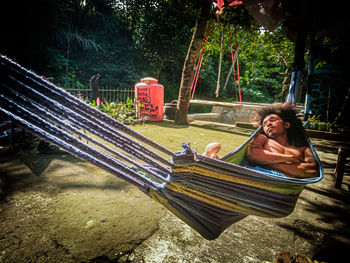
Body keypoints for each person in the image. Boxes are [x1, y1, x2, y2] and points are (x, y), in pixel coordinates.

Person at [203, 103, 318, 178]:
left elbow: (312, 172)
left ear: (286, 124)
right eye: (264, 124)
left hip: (283, 185)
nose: (268, 124)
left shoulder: (303, 148)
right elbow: (253, 155)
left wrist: (270, 162)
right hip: (257, 177)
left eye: (272, 120)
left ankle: (209, 159)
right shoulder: (263, 138)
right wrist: (292, 159)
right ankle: (208, 160)